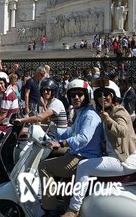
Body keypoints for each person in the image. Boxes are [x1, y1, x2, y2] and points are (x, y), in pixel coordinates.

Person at [62, 80, 136, 217]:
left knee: (83, 166)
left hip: (123, 159)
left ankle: (73, 209)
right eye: (99, 95)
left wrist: (108, 120)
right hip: (112, 157)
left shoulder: (119, 111)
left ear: (114, 96)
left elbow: (122, 131)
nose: (103, 98)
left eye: (107, 94)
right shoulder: (103, 113)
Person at [38, 79, 103, 216]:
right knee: (63, 182)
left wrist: (60, 143)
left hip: (83, 157)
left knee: (44, 166)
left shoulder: (90, 115)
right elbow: (72, 131)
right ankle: (64, 206)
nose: (76, 98)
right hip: (77, 154)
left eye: (80, 94)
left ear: (87, 95)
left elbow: (83, 139)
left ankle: (50, 209)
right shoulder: (82, 113)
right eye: (73, 95)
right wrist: (53, 130)